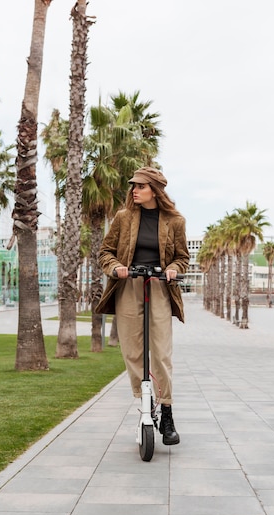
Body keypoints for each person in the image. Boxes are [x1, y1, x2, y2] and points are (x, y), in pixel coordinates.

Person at [96, 166, 189, 445]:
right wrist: (116, 268)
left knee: (160, 352)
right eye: (133, 186)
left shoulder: (175, 221)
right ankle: (147, 404)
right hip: (129, 286)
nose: (134, 190)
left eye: (140, 186)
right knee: (133, 352)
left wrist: (173, 268)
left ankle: (168, 411)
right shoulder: (123, 218)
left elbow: (182, 257)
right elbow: (105, 252)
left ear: (155, 190)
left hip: (159, 286)